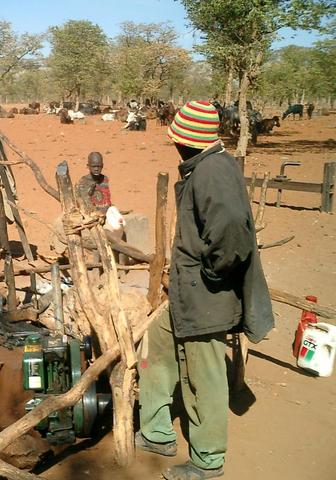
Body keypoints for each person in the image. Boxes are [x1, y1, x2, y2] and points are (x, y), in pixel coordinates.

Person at [136, 100, 274, 480]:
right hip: (189, 292)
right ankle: (157, 433)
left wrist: (213, 275)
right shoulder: (208, 166)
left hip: (205, 295)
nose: (175, 146)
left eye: (177, 140)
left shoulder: (211, 172)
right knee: (156, 345)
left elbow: (231, 232)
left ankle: (207, 460)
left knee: (204, 376)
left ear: (188, 143)